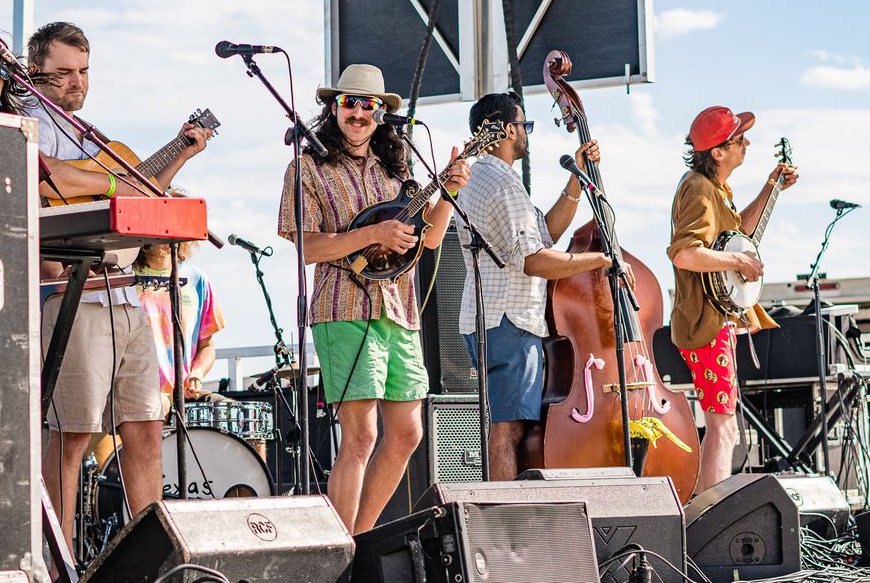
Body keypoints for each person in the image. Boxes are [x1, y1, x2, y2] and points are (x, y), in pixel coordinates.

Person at [27, 21, 212, 554]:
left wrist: (181, 152)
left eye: (83, 72)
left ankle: (154, 559)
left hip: (127, 295)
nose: (75, 83)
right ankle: (56, 562)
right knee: (72, 438)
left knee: (145, 429)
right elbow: (48, 174)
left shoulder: (92, 135)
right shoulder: (28, 118)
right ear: (35, 70)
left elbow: (139, 192)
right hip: (72, 299)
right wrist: (109, 181)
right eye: (62, 73)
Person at [277, 63, 470, 533]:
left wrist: (449, 192)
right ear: (333, 108)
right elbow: (305, 246)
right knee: (361, 436)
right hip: (343, 308)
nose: (359, 112)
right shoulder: (307, 167)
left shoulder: (397, 171)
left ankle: (359, 541)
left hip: (399, 311)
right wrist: (371, 234)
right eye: (349, 102)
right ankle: (338, 552)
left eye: (369, 104)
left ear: (382, 113)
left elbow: (430, 240)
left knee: (407, 434)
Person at [455, 91, 625, 481]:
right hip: (510, 321)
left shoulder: (484, 178)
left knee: (507, 426)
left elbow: (543, 233)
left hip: (494, 318)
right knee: (509, 430)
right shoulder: (503, 185)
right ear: (502, 130)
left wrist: (576, 180)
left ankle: (507, 513)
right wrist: (600, 260)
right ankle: (507, 516)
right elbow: (535, 261)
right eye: (524, 125)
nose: (526, 134)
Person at [667, 106, 798, 493]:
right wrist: (739, 260)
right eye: (740, 140)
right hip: (705, 324)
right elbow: (683, 253)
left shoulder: (714, 190)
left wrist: (770, 189)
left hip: (715, 321)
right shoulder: (698, 189)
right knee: (723, 427)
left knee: (725, 425)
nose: (747, 144)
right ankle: (712, 522)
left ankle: (711, 517)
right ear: (718, 152)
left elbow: (739, 230)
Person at [133, 241, 225, 406]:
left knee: (229, 410)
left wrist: (197, 373)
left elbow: (207, 346)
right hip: (140, 395)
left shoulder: (197, 279)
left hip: (183, 396)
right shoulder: (125, 279)